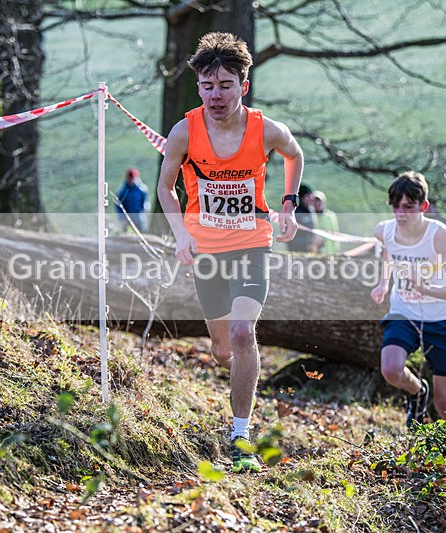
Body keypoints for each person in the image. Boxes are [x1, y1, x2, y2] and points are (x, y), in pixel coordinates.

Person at [156, 32, 304, 473]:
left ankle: (240, 437)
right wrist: (181, 235)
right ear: (198, 86)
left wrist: (288, 205)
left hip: (252, 243)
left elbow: (295, 157)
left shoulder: (265, 130)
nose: (215, 95)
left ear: (243, 84)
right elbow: (165, 187)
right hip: (205, 249)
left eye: (224, 85)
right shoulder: (184, 131)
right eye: (207, 85)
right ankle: (232, 366)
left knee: (242, 333)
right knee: (223, 348)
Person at [370, 171, 446, 429]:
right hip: (404, 312)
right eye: (396, 207)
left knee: (444, 401)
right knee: (390, 370)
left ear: (423, 206)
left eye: (408, 208)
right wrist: (383, 282)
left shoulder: (439, 235)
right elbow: (388, 251)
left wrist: (427, 288)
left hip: (441, 318)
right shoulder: (385, 230)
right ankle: (417, 391)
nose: (401, 214)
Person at [287, 184, 321, 253]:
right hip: (297, 253)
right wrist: (309, 242)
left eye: (312, 196)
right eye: (308, 196)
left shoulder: (311, 211)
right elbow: (288, 237)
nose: (311, 199)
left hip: (311, 252)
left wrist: (317, 241)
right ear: (301, 197)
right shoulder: (293, 213)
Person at [115, 168, 149, 232]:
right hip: (127, 216)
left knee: (141, 231)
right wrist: (122, 218)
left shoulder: (142, 189)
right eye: (129, 178)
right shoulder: (123, 190)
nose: (131, 180)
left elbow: (145, 201)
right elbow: (119, 205)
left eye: (132, 178)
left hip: (139, 215)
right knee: (127, 232)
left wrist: (145, 210)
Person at [313, 190, 340, 255]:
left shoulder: (330, 216)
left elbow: (336, 233)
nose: (317, 203)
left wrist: (336, 250)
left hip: (331, 252)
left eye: (319, 200)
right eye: (315, 201)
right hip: (317, 253)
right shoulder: (310, 217)